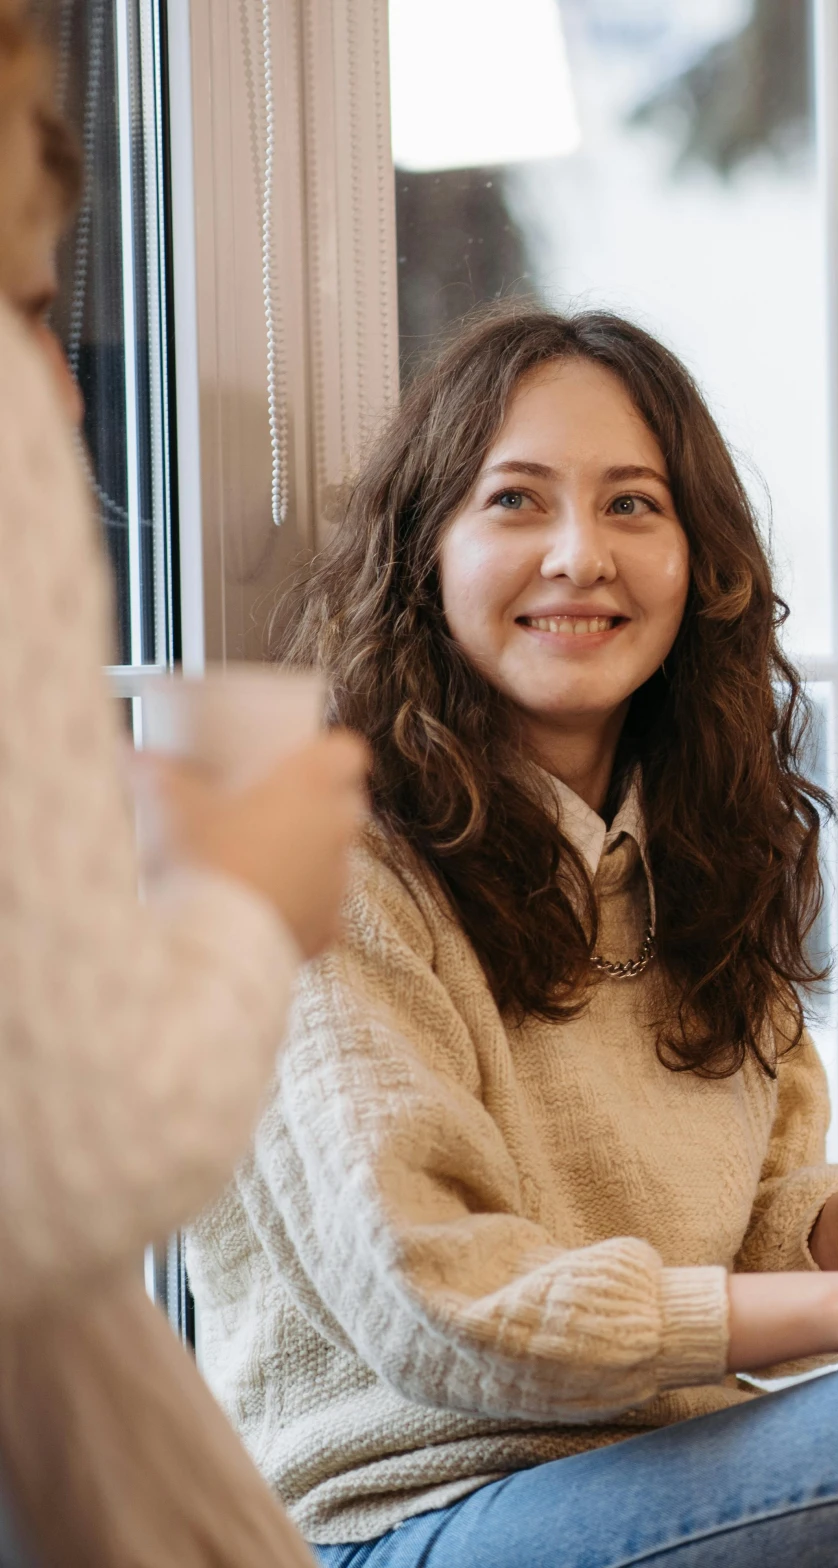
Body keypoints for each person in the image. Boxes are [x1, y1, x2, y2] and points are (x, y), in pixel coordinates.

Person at [188, 303, 838, 1568]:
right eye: (517, 500)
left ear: (698, 559)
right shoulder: (335, 865)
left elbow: (751, 1215)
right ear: (426, 552)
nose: (581, 554)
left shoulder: (704, 857)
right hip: (397, 1522)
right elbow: (442, 1307)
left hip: (657, 1472)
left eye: (633, 504)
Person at [0, 7, 370, 1562]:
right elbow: (63, 1159)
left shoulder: (702, 842)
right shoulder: (363, 830)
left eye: (637, 503)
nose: (62, 395)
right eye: (29, 301)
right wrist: (241, 905)